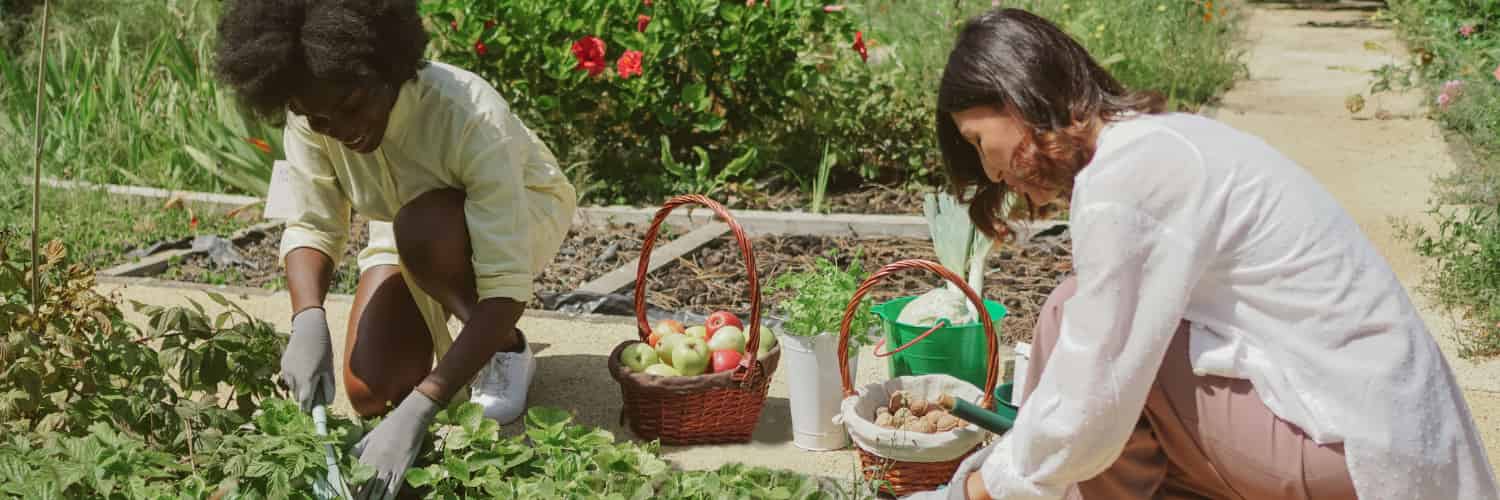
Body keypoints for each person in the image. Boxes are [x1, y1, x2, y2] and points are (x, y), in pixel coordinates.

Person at [914, 8, 1498, 500]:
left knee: (1086, 348)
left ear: (1016, 95)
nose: (990, 169)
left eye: (977, 141)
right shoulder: (1157, 141)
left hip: (1363, 447)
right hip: (1385, 428)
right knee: (1086, 333)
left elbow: (1093, 396)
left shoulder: (1129, 174)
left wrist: (976, 488)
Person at [213, 0, 576, 497]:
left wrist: (423, 406)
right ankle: (456, 337)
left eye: (352, 105)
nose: (340, 129)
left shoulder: (468, 114)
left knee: (424, 230)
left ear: (387, 69)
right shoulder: (313, 110)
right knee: (371, 391)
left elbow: (504, 285)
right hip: (403, 227)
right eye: (320, 120)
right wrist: (308, 319)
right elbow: (314, 224)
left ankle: (505, 348)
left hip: (519, 211)